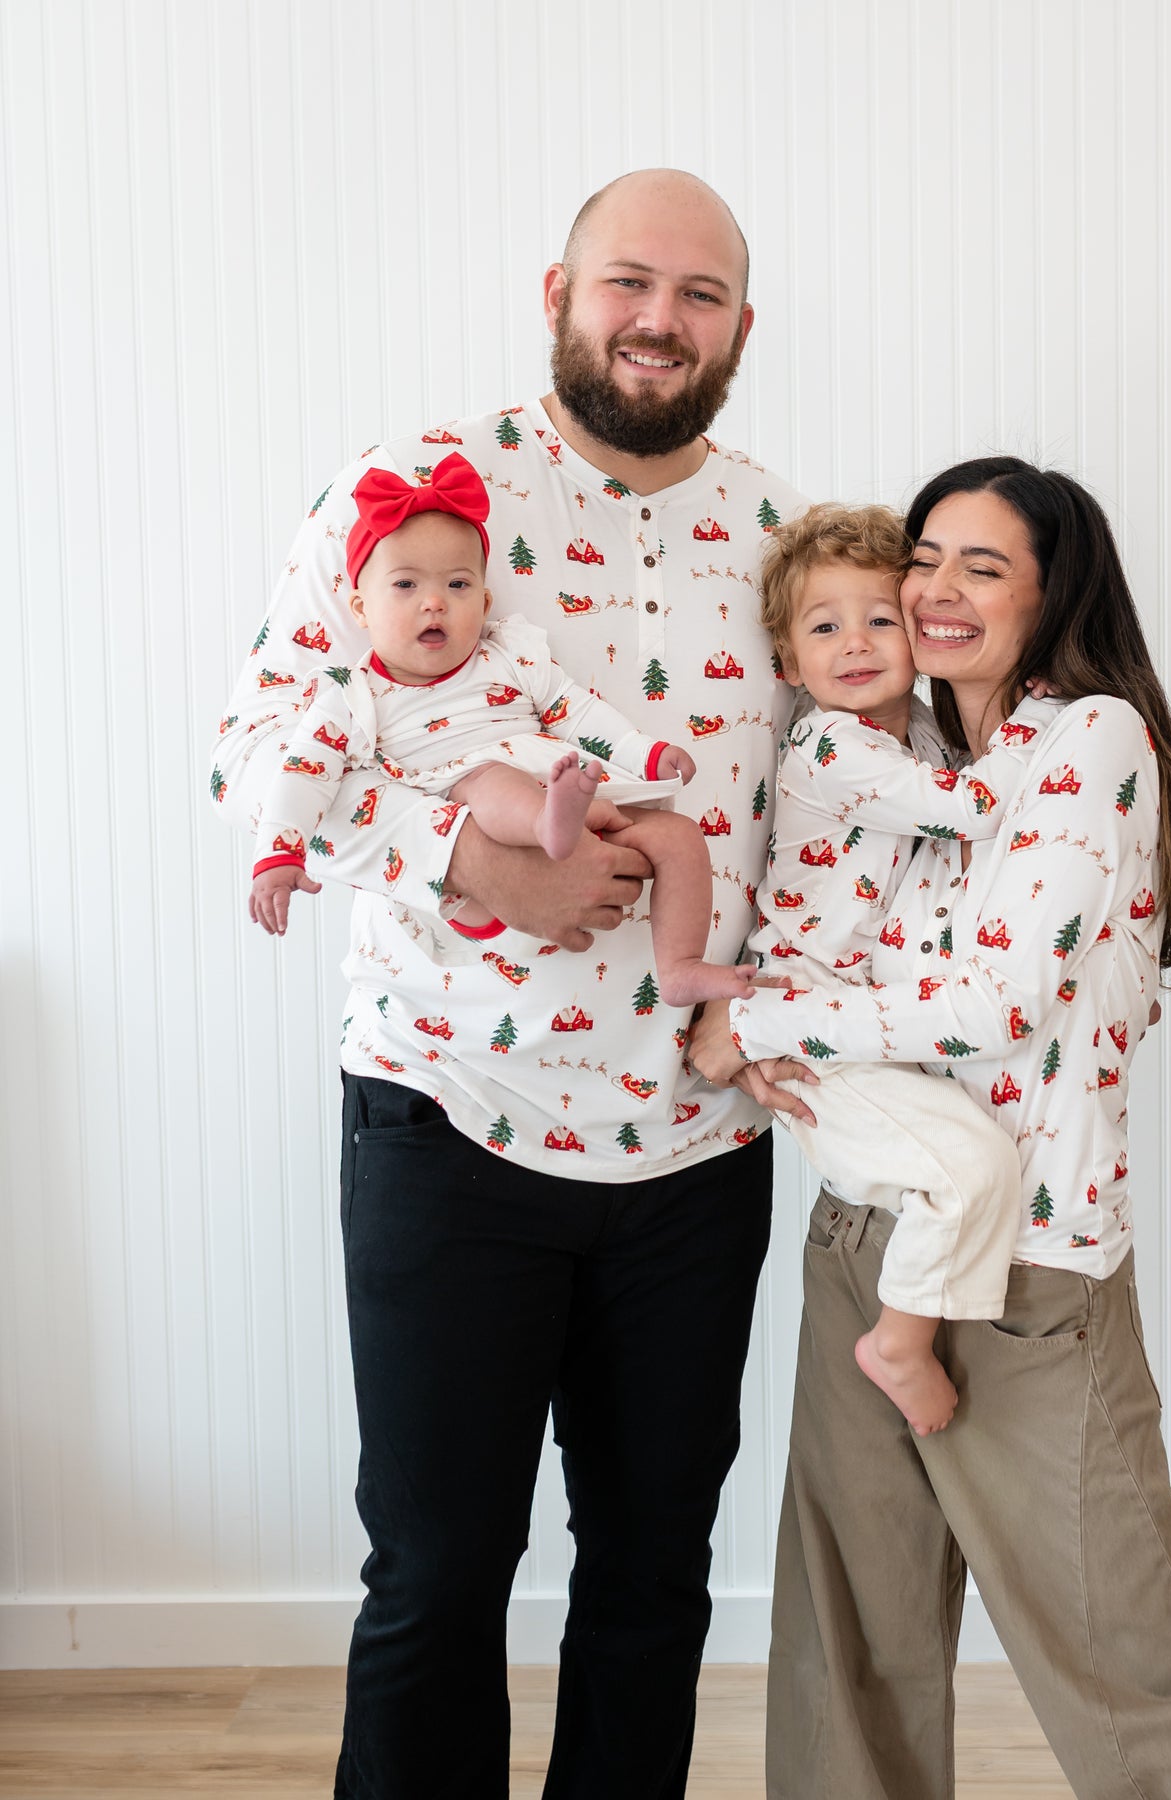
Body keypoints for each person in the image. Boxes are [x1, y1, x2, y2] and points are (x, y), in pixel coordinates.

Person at [210, 170, 813, 1798]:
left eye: (698, 295)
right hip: (446, 1118)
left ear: (740, 327)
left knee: (651, 1589)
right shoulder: (419, 495)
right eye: (630, 281)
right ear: (559, 287)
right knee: (432, 1581)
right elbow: (261, 755)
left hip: (697, 1151)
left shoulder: (781, 534)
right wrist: (468, 863)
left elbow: (826, 803)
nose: (657, 320)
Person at [691, 457, 1171, 1798]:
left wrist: (769, 1024)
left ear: (1051, 593)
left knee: (1127, 1654)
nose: (939, 589)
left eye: (985, 566)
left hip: (1031, 1265)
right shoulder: (908, 761)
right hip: (871, 1238)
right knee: (851, 1654)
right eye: (928, 558)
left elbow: (997, 1002)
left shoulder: (1090, 742)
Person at [752, 501, 1058, 1434]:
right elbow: (969, 811)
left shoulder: (919, 735)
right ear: (787, 662)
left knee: (974, 1161)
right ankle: (897, 1340)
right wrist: (1038, 723)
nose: (854, 644)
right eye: (825, 626)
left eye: (879, 619)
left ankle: (907, 1327)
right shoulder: (832, 745)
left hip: (873, 1023)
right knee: (965, 1172)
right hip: (813, 1027)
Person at [249, 452, 753, 1010]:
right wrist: (279, 852)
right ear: (360, 608)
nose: (434, 601)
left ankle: (680, 966)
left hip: (566, 783)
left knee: (678, 836)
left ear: (485, 603)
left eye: (458, 584)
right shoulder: (350, 694)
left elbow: (575, 709)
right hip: (472, 793)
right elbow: (302, 774)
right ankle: (548, 823)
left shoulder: (508, 656)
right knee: (494, 781)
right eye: (406, 584)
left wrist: (645, 752)